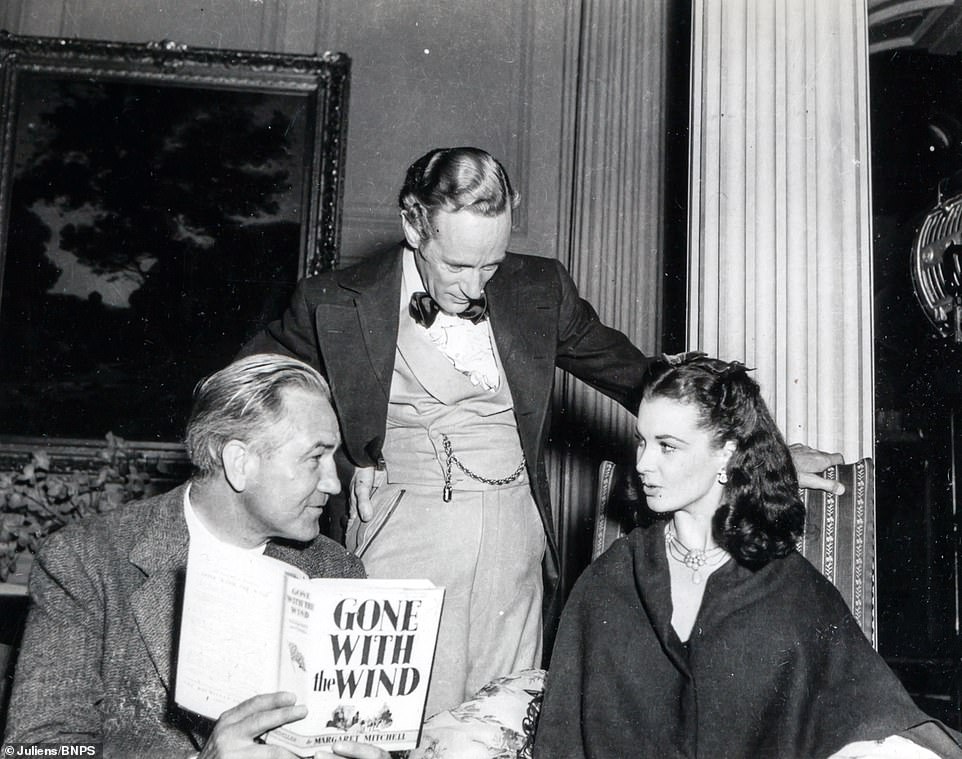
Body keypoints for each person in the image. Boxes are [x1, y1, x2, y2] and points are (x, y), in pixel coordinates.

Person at [240, 146, 846, 716]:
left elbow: (640, 377)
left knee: (497, 720)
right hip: (401, 534)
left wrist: (757, 445)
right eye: (457, 265)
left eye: (492, 264)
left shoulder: (539, 288)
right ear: (413, 225)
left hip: (516, 543)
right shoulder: (335, 301)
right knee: (382, 722)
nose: (476, 287)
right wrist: (345, 454)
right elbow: (247, 394)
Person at [534, 355, 962, 759]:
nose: (643, 463)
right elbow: (561, 739)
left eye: (667, 446)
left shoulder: (791, 589)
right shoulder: (607, 582)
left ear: (728, 453)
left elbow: (876, 713)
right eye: (641, 441)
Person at [3, 355, 389, 759]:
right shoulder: (86, 559)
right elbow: (35, 750)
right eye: (315, 458)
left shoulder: (335, 570)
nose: (332, 482)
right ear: (240, 463)